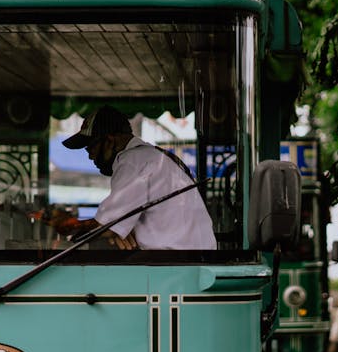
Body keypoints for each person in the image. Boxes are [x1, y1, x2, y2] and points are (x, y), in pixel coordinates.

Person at [50, 104, 216, 250]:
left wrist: (68, 225)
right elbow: (114, 225)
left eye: (90, 148)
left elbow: (105, 226)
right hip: (192, 258)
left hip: (181, 264)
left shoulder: (133, 161)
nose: (90, 157)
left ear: (109, 140)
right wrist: (119, 231)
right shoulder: (149, 156)